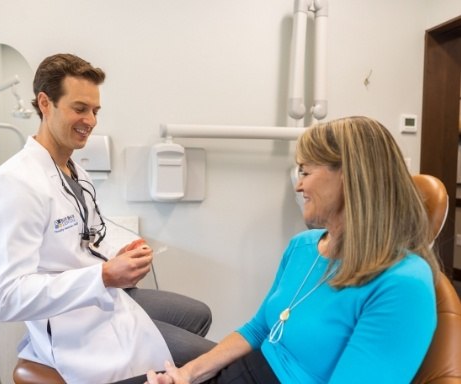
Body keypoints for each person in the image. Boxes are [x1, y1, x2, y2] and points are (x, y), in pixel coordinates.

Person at [114, 116, 441, 384]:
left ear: (350, 177)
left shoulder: (402, 283)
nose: (298, 185)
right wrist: (185, 375)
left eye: (305, 171)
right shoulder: (304, 247)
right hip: (241, 372)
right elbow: (258, 328)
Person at [0, 53, 215, 384]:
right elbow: (5, 298)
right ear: (45, 103)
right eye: (80, 108)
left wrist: (122, 255)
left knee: (199, 316)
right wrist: (103, 277)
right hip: (71, 326)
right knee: (212, 363)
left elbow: (85, 238)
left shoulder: (74, 171)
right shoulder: (14, 185)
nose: (91, 120)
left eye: (95, 111)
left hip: (98, 302)